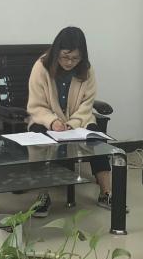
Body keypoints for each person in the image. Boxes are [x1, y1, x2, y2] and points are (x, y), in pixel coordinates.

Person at [26, 26, 112, 216]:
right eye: (65, 57)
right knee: (38, 139)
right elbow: (36, 105)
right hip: (46, 120)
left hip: (79, 121)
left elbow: (87, 104)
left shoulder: (87, 70)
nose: (69, 62)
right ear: (56, 52)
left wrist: (72, 124)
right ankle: (42, 196)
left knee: (96, 140)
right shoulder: (41, 67)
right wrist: (52, 122)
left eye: (75, 58)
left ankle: (106, 192)